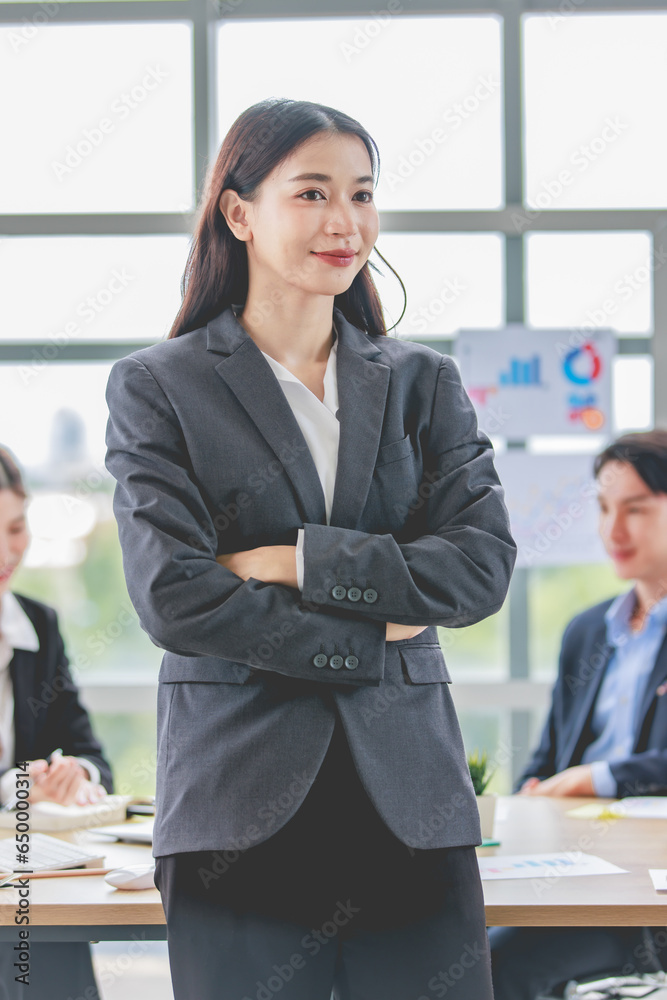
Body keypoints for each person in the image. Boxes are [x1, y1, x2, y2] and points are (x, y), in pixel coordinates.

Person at [105, 97, 517, 1000]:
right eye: (313, 192)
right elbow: (175, 598)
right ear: (240, 212)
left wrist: (292, 559)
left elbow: (477, 567)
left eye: (363, 194)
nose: (345, 222)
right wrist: (374, 634)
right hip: (235, 805)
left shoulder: (421, 383)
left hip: (410, 801)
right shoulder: (158, 387)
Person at [490, 429, 667, 1000]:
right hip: (569, 870)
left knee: (491, 968)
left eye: (635, 510)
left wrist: (596, 778)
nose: (612, 531)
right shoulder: (590, 631)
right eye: (604, 508)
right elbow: (546, 760)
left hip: (640, 898)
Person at [0, 446, 113, 1000]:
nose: (5, 551)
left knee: (47, 947)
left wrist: (76, 775)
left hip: (29, 882)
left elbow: (90, 752)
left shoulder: (37, 625)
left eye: (16, 527)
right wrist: (16, 788)